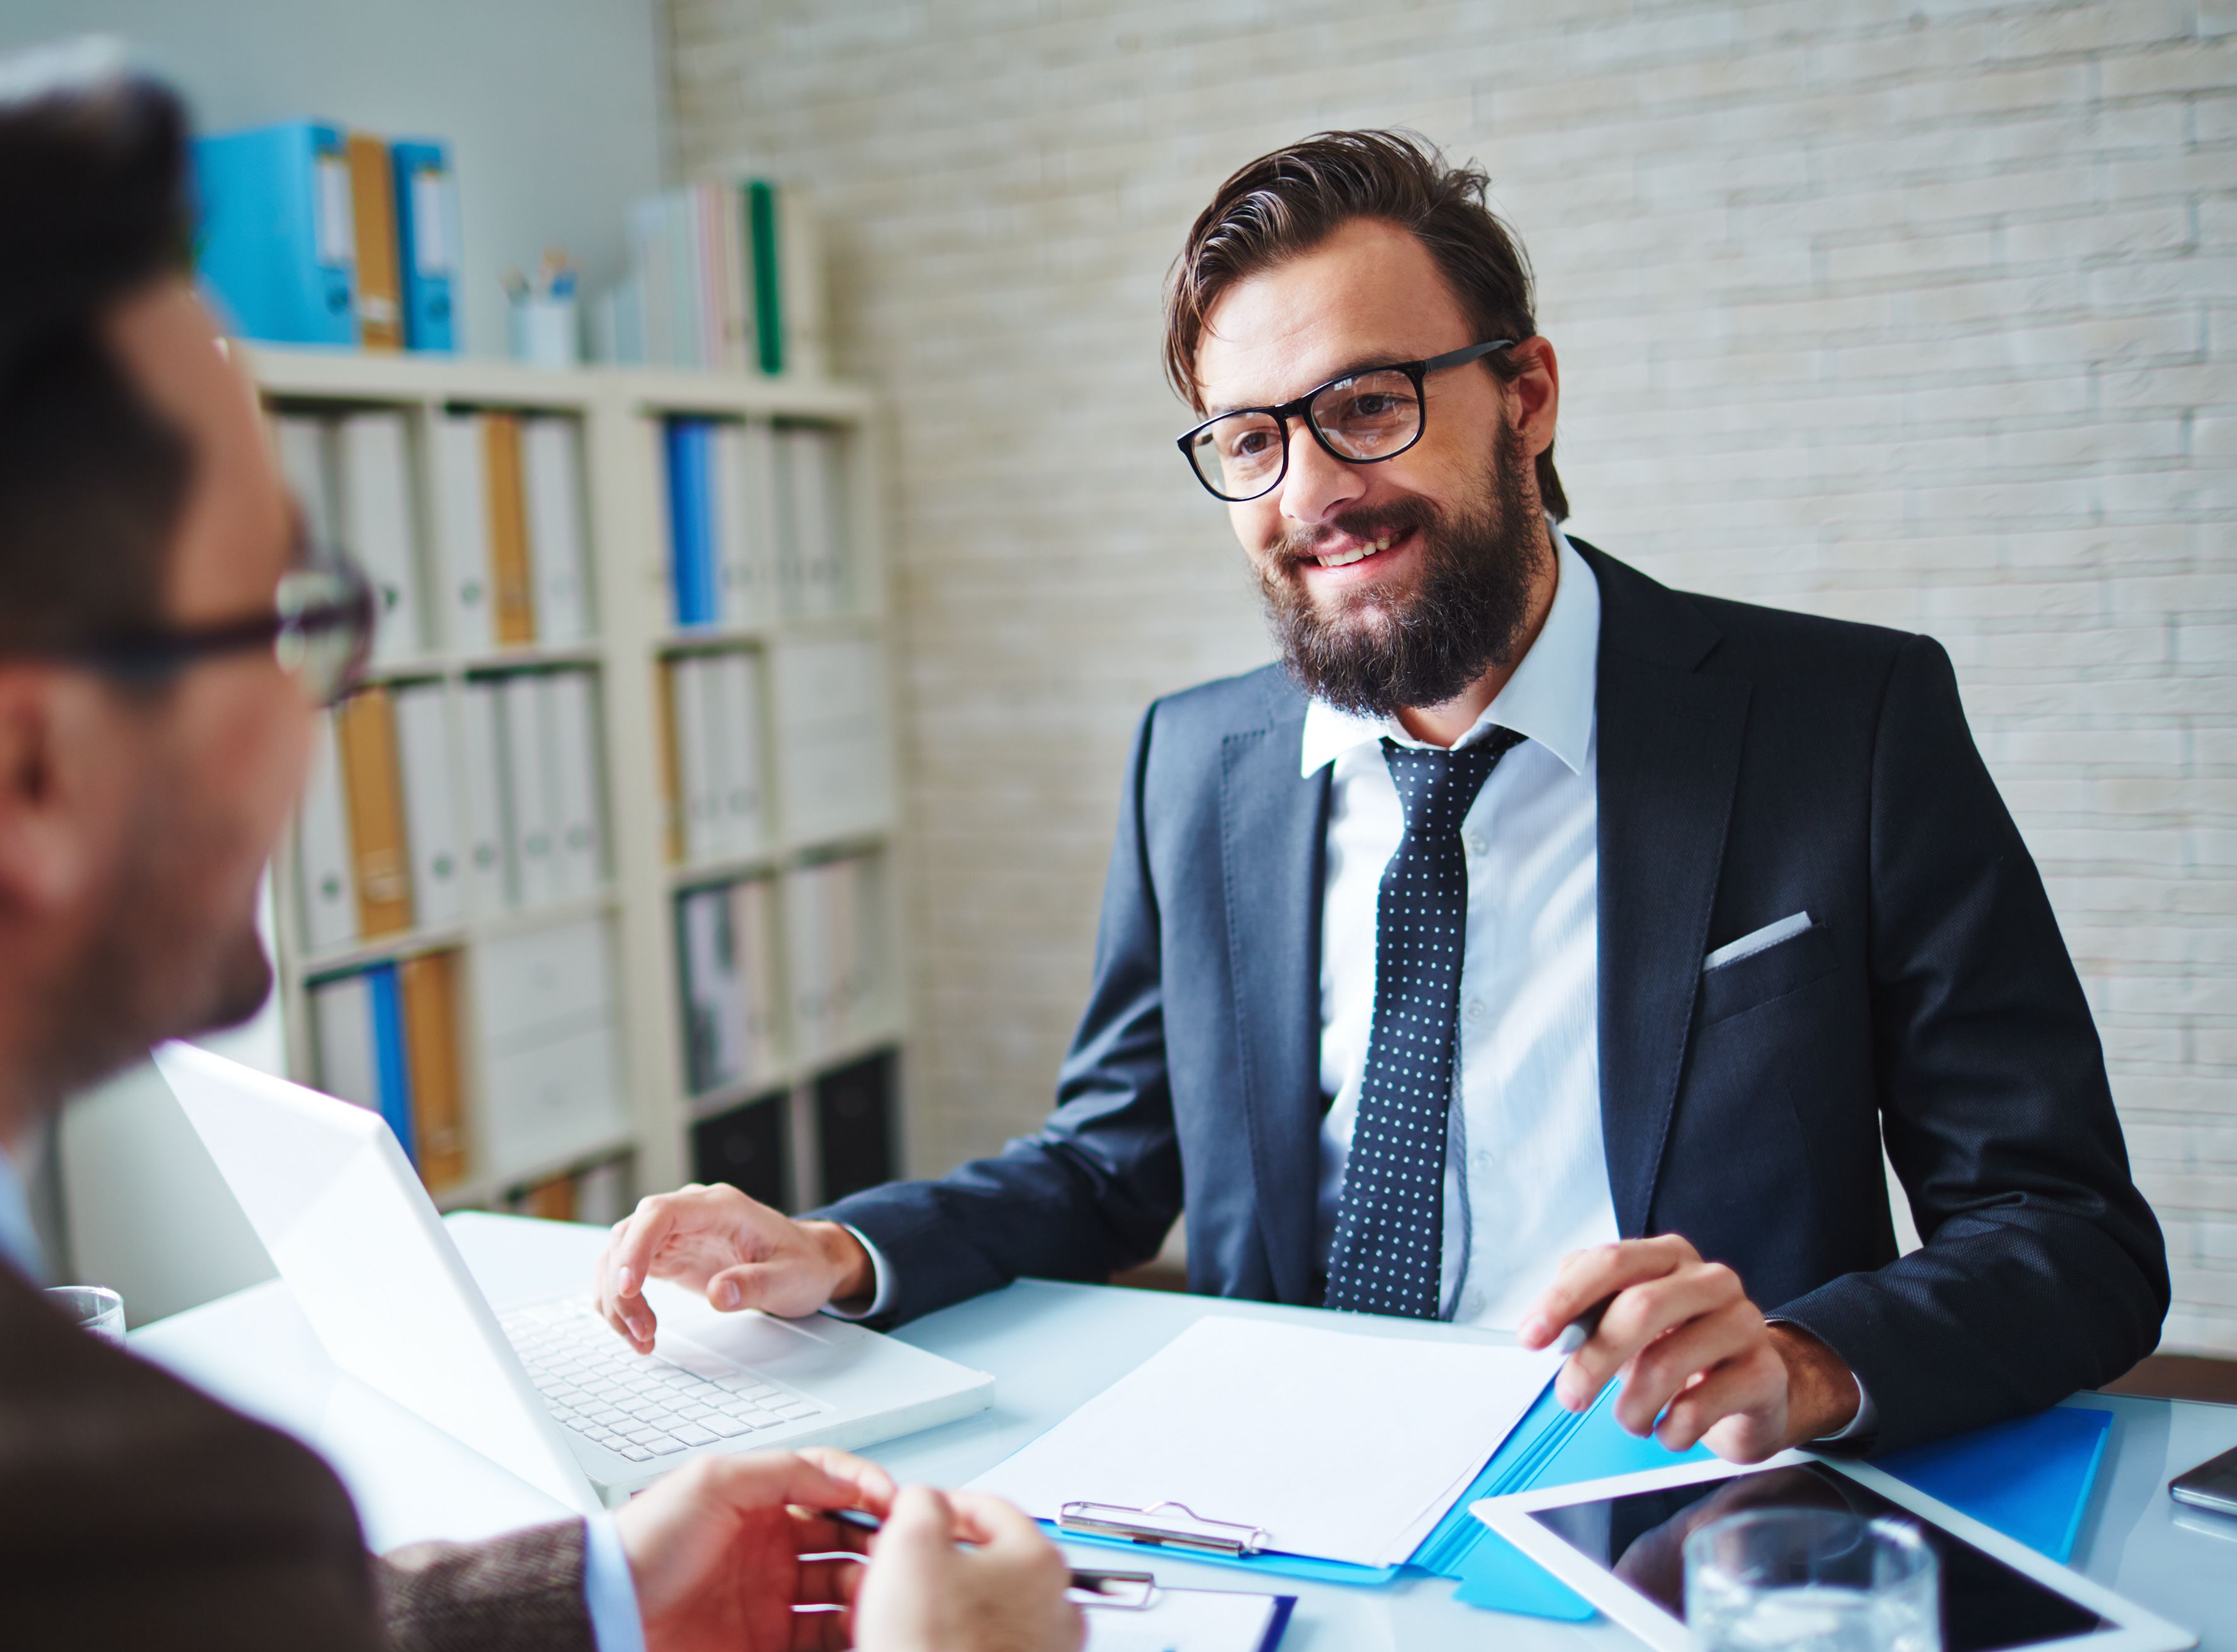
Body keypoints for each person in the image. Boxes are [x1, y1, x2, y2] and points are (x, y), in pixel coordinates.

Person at [0, 70, 1098, 1652]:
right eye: (288, 621)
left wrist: (588, 1605)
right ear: (23, 776)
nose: (327, 710)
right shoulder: (2, 1521)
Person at [599, 130, 2171, 1463]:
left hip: (1672, 1481)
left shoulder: (1847, 722)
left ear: (1529, 396)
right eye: (1250, 439)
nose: (1312, 494)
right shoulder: (1195, 762)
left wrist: (1809, 1361)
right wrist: (841, 1249)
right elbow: (1110, 1155)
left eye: (1367, 406)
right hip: (1296, 1474)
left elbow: (2071, 1234)